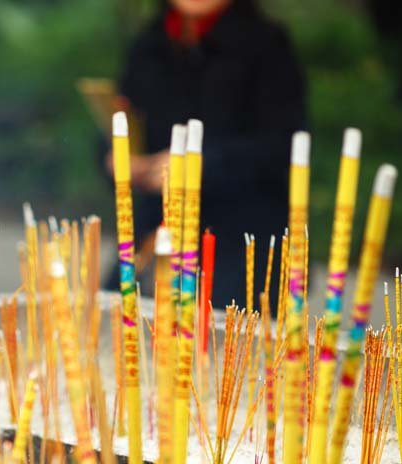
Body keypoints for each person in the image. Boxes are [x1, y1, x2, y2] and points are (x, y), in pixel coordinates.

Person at [106, 0, 306, 309]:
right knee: (117, 317)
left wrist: (201, 166)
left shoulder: (267, 44)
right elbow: (121, 121)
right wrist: (118, 159)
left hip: (242, 240)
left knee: (220, 331)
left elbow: (281, 145)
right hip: (156, 229)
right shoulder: (149, 44)